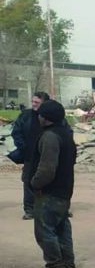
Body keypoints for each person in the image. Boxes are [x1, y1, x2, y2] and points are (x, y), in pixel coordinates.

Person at [25, 99, 76, 268]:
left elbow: (47, 169)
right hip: (64, 191)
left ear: (45, 118)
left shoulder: (49, 137)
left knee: (45, 231)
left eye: (40, 114)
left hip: (49, 193)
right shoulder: (66, 134)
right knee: (62, 230)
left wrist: (35, 184)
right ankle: (68, 267)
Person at [8, 91, 48, 220]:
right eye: (33, 102)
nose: (34, 104)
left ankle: (54, 208)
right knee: (28, 181)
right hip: (30, 155)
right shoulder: (25, 116)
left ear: (44, 103)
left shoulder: (52, 116)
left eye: (37, 102)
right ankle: (29, 209)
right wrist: (23, 148)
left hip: (47, 156)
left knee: (50, 180)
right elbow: (16, 132)